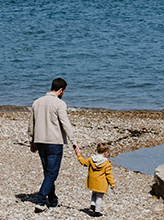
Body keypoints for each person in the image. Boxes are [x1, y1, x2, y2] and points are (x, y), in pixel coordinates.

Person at [28, 77, 75, 210]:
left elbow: (31, 124)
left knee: (48, 172)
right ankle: (41, 200)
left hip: (40, 141)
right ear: (61, 90)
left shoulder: (37, 102)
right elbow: (66, 123)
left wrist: (32, 140)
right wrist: (74, 142)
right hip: (54, 142)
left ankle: (53, 200)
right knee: (52, 173)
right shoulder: (60, 104)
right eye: (64, 91)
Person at [73, 142, 115, 216]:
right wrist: (112, 183)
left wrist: (78, 155)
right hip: (101, 184)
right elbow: (109, 175)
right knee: (99, 197)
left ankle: (92, 207)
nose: (108, 154)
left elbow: (83, 162)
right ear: (105, 153)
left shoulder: (91, 159)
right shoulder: (106, 163)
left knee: (94, 194)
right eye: (108, 153)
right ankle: (97, 211)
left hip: (92, 182)